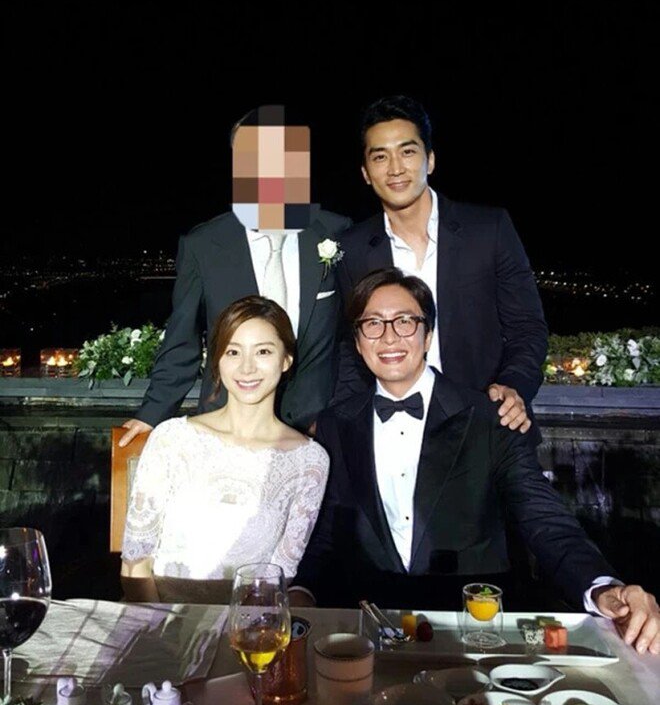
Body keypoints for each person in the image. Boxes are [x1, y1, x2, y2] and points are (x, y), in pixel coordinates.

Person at [292, 269, 660, 656]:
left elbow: (543, 518)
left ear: (427, 335)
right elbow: (327, 530)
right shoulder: (335, 424)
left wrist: (602, 587)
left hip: (473, 636)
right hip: (369, 633)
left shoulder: (490, 418)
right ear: (357, 341)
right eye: (373, 324)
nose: (389, 337)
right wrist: (301, 591)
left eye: (404, 321)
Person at [120, 104, 351, 447]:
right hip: (227, 430)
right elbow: (182, 339)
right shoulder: (203, 245)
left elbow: (351, 335)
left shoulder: (337, 233)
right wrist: (152, 413)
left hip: (317, 433)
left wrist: (339, 412)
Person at [334, 95, 548, 436]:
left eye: (407, 152)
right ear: (365, 173)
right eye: (380, 156)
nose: (395, 168)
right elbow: (351, 344)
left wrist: (513, 385)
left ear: (430, 160)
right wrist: (343, 422)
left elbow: (527, 327)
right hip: (391, 430)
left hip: (487, 423)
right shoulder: (352, 249)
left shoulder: (488, 230)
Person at [121, 296, 329, 603]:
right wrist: (160, 623)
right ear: (217, 359)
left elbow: (284, 573)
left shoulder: (310, 461)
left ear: (286, 360)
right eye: (233, 351)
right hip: (159, 614)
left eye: (263, 351)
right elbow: (135, 562)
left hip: (250, 620)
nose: (247, 367)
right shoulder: (172, 439)